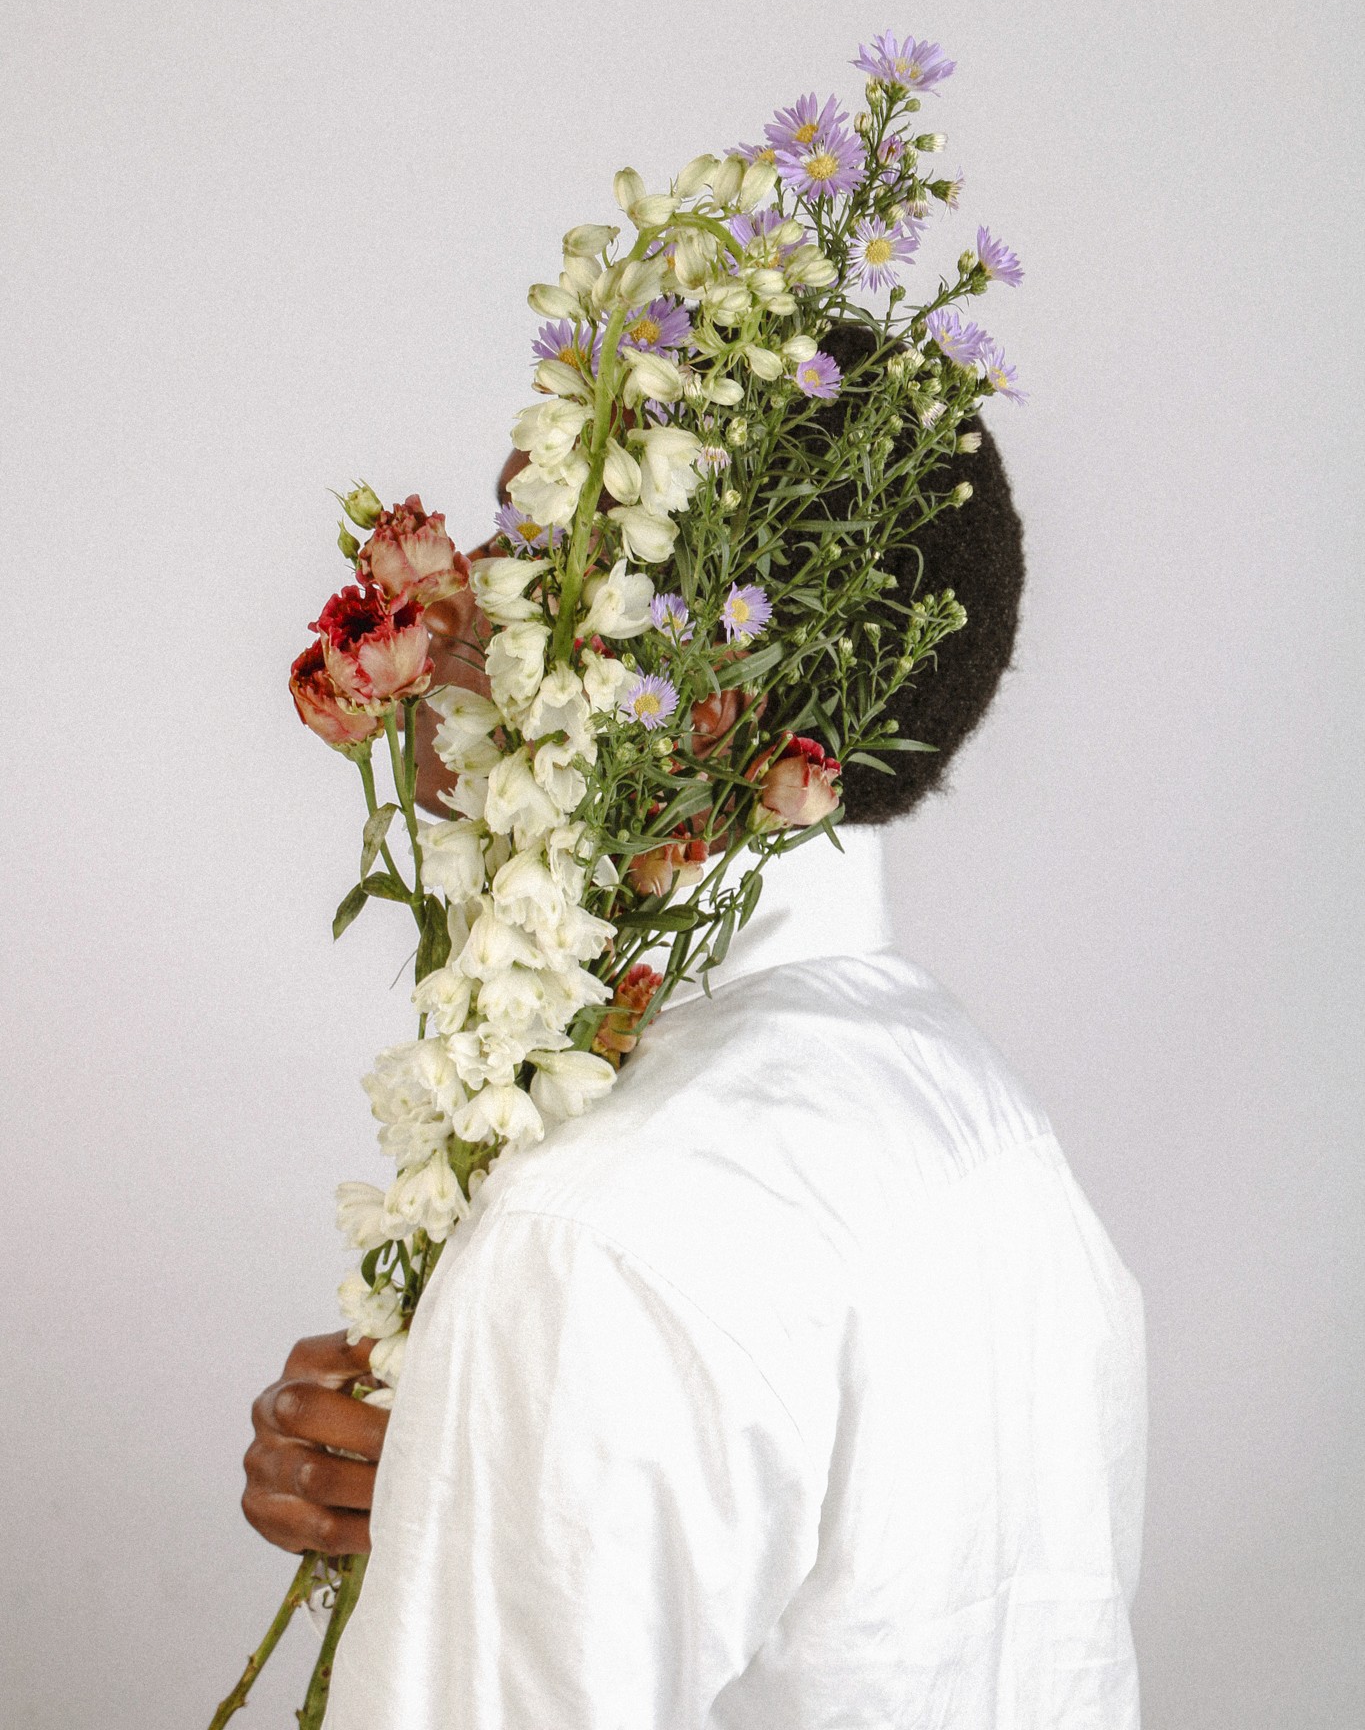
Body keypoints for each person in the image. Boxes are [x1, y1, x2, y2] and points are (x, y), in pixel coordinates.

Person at [242, 392, 1147, 1727]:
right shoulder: (984, 1128)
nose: (451, 594)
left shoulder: (602, 1229)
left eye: (530, 538)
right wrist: (449, 1459)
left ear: (705, 690)